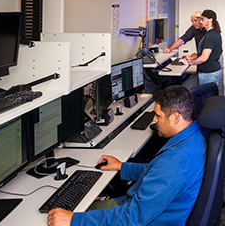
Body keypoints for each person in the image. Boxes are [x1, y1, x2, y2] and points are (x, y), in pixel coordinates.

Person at [47, 86, 206, 226]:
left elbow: (131, 219)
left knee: (71, 212)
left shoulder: (173, 163)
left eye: (158, 115)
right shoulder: (195, 138)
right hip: (151, 211)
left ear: (175, 117)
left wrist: (74, 220)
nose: (154, 119)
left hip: (142, 218)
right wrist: (122, 166)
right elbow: (156, 171)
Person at [179, 9, 223, 86]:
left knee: (207, 97)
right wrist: (191, 57)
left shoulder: (210, 36)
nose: (201, 22)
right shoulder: (211, 33)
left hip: (208, 73)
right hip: (209, 72)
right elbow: (207, 54)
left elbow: (203, 58)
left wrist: (188, 63)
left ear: (210, 20)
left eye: (202, 19)